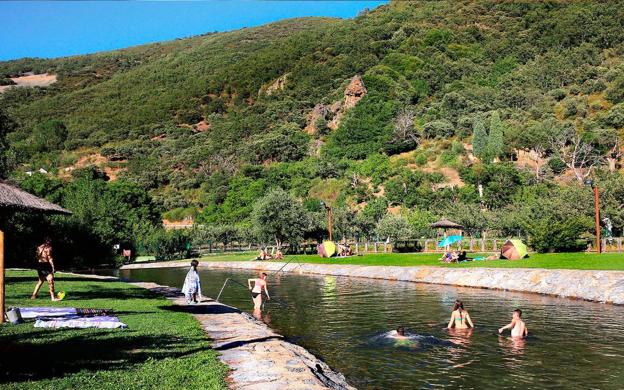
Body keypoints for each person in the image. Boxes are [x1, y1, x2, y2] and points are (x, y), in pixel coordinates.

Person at [31, 237, 61, 301]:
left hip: (39, 265)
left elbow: (37, 257)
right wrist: (53, 267)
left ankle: (34, 295)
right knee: (50, 281)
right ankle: (53, 298)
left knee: (41, 281)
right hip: (45, 265)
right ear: (48, 241)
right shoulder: (48, 248)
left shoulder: (39, 247)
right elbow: (50, 258)